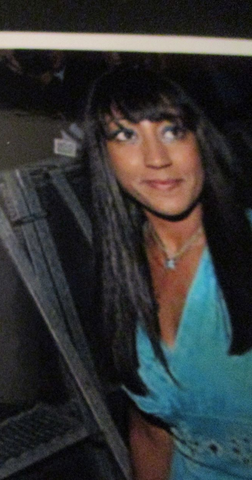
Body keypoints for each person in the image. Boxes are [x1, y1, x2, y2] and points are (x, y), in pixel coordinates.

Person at [83, 65, 252, 479]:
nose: (156, 158)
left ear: (201, 140)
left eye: (172, 131)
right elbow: (151, 433)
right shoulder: (120, 273)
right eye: (126, 136)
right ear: (104, 156)